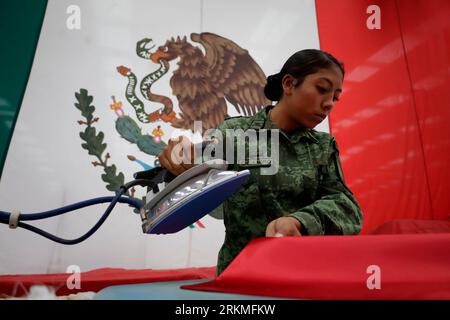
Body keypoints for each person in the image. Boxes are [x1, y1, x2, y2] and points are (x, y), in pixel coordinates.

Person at [158, 49, 363, 275]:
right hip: (239, 275)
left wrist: (300, 221)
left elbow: (347, 207)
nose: (329, 104)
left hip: (301, 274)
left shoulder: (322, 146)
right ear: (289, 84)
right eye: (322, 89)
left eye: (335, 97)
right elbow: (198, 171)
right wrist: (180, 160)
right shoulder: (235, 133)